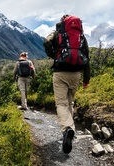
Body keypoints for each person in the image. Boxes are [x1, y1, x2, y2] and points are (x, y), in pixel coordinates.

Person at [43, 15, 90, 154]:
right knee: (70, 102)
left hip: (60, 72)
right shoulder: (81, 36)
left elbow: (46, 42)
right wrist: (86, 79)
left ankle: (67, 129)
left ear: (62, 22)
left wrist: (53, 55)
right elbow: (87, 57)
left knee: (61, 104)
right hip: (76, 74)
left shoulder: (58, 33)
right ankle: (71, 129)